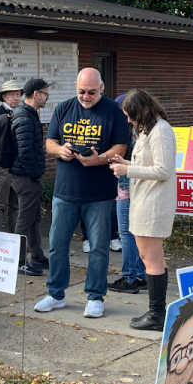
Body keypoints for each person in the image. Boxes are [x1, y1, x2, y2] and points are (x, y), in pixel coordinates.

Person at [34, 68, 130, 319]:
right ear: (75, 87)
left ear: (102, 88)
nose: (86, 97)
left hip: (99, 192)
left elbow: (121, 145)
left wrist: (102, 159)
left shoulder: (113, 111)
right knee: (57, 245)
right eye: (81, 92)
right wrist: (60, 151)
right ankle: (56, 294)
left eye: (91, 92)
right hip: (65, 190)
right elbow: (50, 142)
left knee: (99, 247)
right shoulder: (64, 108)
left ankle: (95, 297)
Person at [109, 90, 177, 330]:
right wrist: (128, 163)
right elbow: (150, 165)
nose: (129, 120)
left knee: (151, 259)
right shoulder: (151, 129)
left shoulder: (160, 131)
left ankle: (157, 314)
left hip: (154, 203)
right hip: (146, 200)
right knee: (152, 258)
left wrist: (129, 171)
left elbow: (163, 170)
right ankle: (157, 311)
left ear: (145, 110)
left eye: (132, 115)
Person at [9, 78, 50, 275]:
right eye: (45, 93)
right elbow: (25, 152)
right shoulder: (24, 117)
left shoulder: (28, 114)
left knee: (33, 218)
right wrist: (35, 174)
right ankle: (18, 263)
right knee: (24, 220)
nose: (46, 97)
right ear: (36, 94)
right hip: (25, 178)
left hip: (27, 177)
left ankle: (37, 256)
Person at [108, 93, 147, 294]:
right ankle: (141, 274)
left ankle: (129, 277)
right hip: (137, 185)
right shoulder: (142, 132)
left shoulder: (127, 132)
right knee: (136, 232)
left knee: (127, 233)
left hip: (126, 184)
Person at [0, 80, 23, 233]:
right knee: (0, 204)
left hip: (17, 167)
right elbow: (1, 144)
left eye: (17, 94)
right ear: (4, 97)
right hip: (3, 167)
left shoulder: (22, 112)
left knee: (15, 205)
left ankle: (14, 239)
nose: (15, 98)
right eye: (11, 95)